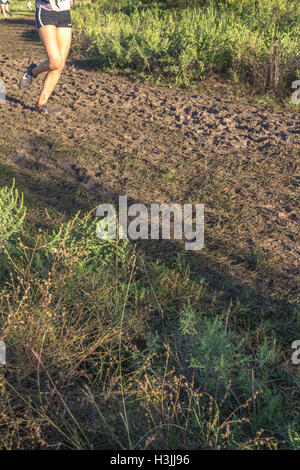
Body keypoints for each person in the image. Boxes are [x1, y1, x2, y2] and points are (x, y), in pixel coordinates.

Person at [19, 0, 75, 115]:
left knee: (60, 65)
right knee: (55, 61)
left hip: (64, 12)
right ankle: (33, 71)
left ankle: (41, 104)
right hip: (46, 11)